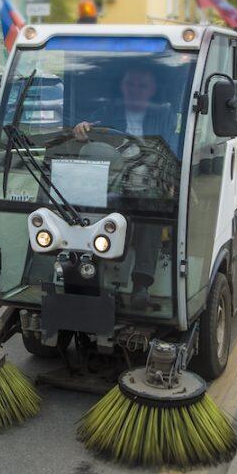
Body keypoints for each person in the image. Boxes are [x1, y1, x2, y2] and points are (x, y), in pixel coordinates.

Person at [71, 68, 172, 311]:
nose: (135, 90)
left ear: (152, 91)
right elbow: (86, 132)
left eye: (142, 86)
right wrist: (81, 129)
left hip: (147, 185)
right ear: (123, 88)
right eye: (131, 84)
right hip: (112, 185)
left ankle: (141, 286)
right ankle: (101, 283)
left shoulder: (164, 115)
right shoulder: (108, 112)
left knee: (151, 212)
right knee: (89, 211)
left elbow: (170, 150)